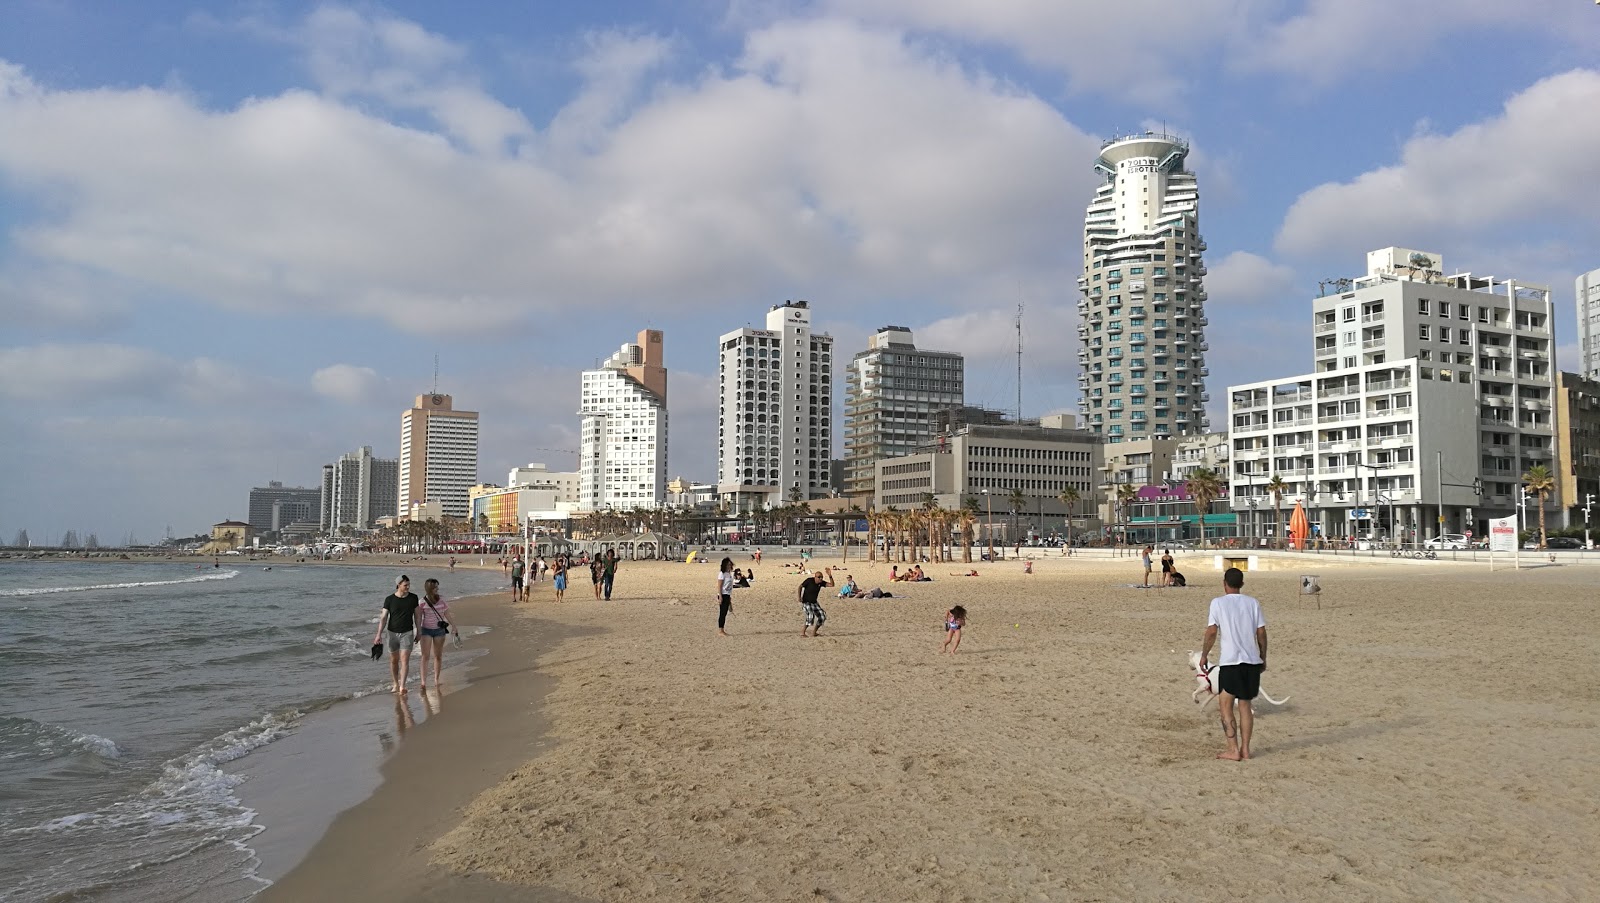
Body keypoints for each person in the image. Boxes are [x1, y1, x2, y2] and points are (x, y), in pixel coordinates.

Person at [1201, 567, 1270, 762]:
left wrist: (1205, 654)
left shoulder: (1218, 603)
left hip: (1231, 662)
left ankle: (1233, 749)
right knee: (1245, 706)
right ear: (1242, 584)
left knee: (1225, 705)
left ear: (1224, 584)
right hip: (1251, 661)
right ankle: (1246, 749)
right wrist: (1263, 657)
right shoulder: (1252, 603)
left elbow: (1212, 632)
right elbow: (1261, 633)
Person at [374, 575, 420, 694]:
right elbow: (384, 617)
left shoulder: (413, 598)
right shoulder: (389, 599)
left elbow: (417, 616)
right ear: (398, 585)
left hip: (407, 632)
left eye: (409, 585)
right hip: (392, 633)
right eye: (405, 585)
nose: (408, 587)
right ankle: (395, 683)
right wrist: (378, 634)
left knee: (404, 660)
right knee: (394, 660)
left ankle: (402, 686)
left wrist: (419, 631)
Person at [417, 578, 459, 692]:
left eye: (437, 587)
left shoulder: (442, 600)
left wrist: (454, 626)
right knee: (425, 656)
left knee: (438, 656)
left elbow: (447, 614)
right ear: (430, 588)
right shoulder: (422, 602)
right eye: (435, 587)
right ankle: (423, 682)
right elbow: (419, 618)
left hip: (439, 631)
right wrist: (418, 631)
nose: (437, 589)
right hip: (426, 630)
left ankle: (436, 679)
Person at [798, 567, 834, 637]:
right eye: (819, 577)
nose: (820, 578)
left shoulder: (821, 583)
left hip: (814, 603)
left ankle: (814, 632)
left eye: (821, 577)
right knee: (811, 616)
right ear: (815, 577)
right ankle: (803, 633)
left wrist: (830, 576)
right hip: (806, 602)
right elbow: (800, 587)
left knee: (822, 616)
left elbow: (832, 585)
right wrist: (799, 597)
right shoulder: (809, 581)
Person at [716, 557, 735, 636]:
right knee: (722, 613)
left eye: (730, 564)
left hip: (727, 594)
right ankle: (720, 630)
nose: (729, 566)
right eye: (728, 564)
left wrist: (729, 597)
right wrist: (720, 596)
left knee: (725, 613)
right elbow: (719, 586)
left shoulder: (729, 574)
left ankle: (722, 629)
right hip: (722, 594)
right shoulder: (722, 574)